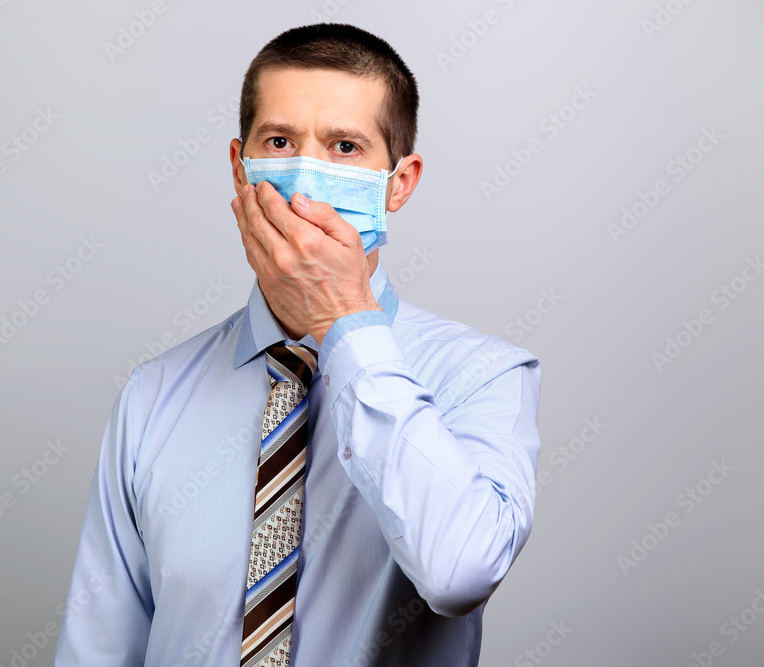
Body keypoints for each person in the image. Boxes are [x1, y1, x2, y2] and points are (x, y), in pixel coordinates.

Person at [53, 23, 541, 666]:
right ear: (239, 166)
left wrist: (345, 323)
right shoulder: (152, 397)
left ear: (400, 182)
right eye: (280, 141)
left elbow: (460, 574)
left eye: (344, 147)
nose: (306, 184)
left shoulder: (481, 376)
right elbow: (101, 647)